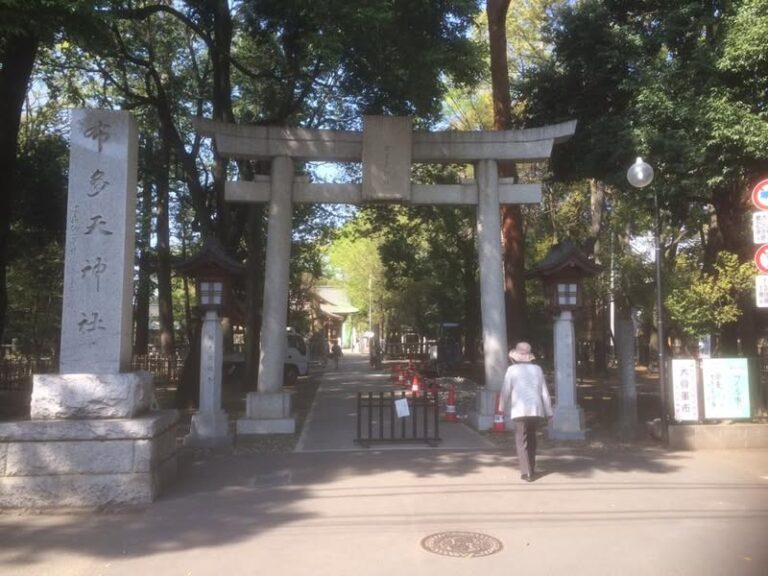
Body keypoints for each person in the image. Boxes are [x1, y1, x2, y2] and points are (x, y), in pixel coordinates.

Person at [499, 341, 553, 482]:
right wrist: (549, 412)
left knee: (520, 440)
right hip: (536, 408)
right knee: (532, 439)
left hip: (519, 409)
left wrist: (501, 407)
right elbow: (544, 393)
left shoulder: (512, 370)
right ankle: (532, 468)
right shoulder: (537, 369)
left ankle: (526, 472)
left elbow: (505, 390)